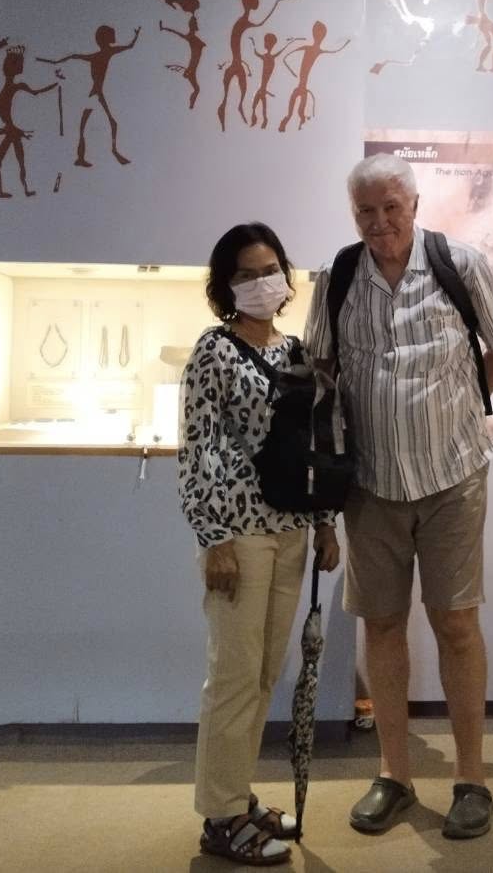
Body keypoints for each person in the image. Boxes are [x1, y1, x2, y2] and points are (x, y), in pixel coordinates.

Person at [303, 154, 493, 840]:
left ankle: (471, 780)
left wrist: (457, 406)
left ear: (415, 203)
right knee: (382, 626)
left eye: (391, 207)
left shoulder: (462, 265)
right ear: (353, 214)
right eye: (366, 211)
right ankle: (394, 775)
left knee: (456, 623)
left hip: (454, 477)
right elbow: (319, 365)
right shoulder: (337, 277)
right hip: (370, 485)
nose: (380, 222)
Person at [179, 222, 341, 866]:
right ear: (226, 285)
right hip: (239, 536)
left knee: (266, 673)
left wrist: (325, 522)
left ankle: (235, 795)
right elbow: (199, 446)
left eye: (269, 270)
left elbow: (314, 446)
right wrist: (213, 537)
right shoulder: (214, 351)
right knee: (234, 676)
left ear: (285, 275)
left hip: (291, 532)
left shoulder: (296, 351)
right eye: (245, 274)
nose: (260, 282)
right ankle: (220, 818)